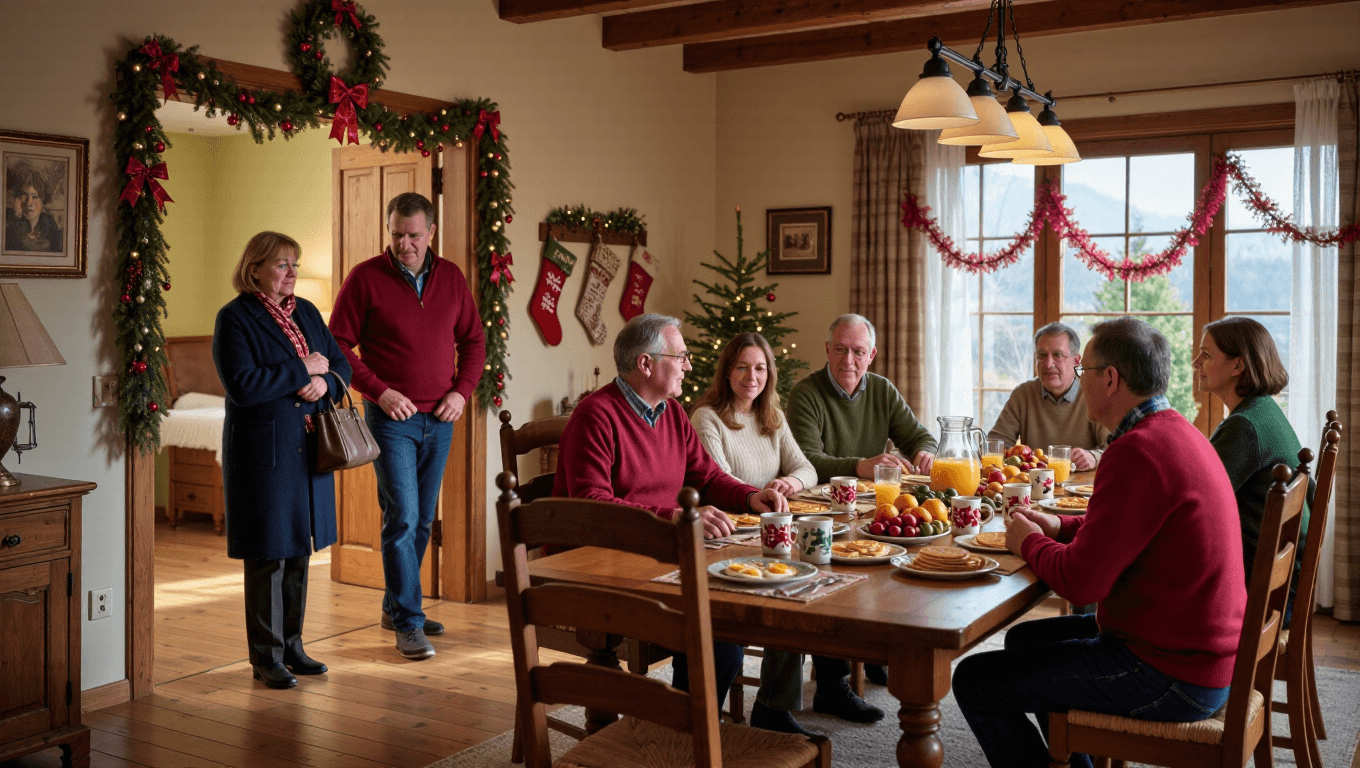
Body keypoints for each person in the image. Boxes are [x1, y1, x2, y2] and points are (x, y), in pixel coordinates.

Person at [953, 317, 1247, 768]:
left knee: (974, 679)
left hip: (1170, 673)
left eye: (1084, 369)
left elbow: (1081, 584)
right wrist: (1057, 527)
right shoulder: (1175, 431)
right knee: (1023, 643)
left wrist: (1027, 542)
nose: (1077, 378)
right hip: (1191, 650)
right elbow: (1127, 532)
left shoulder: (1136, 452)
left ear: (1110, 379)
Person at [554, 314, 790, 702]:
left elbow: (709, 477)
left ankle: (687, 728)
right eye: (680, 356)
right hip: (598, 564)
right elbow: (590, 506)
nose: (688, 365)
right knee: (714, 628)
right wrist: (673, 519)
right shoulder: (595, 415)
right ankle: (686, 730)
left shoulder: (672, 413)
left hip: (658, 554)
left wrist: (750, 496)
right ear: (646, 364)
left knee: (731, 612)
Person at [691, 333, 879, 734]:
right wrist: (761, 492)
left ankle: (830, 684)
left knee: (827, 570)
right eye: (742, 366)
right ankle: (775, 708)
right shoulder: (708, 418)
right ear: (726, 371)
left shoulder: (769, 416)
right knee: (796, 584)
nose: (751, 376)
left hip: (770, 526)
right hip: (730, 535)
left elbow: (807, 467)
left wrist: (788, 485)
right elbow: (719, 481)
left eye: (760, 368)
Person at [329, 192, 486, 661]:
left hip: (440, 419)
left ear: (431, 232)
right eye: (396, 234)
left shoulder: (453, 279)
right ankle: (409, 622)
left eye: (414, 235)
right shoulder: (365, 279)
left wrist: (461, 392)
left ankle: (396, 607)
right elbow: (338, 346)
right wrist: (381, 392)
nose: (404, 244)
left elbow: (474, 341)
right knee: (401, 516)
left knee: (420, 519)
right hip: (390, 419)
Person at [212, 231, 352, 690]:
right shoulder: (234, 319)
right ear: (255, 269)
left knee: (298, 552)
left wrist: (325, 383)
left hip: (309, 450)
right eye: (282, 264)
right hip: (265, 455)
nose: (292, 272)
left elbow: (339, 365)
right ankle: (265, 657)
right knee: (267, 554)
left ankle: (293, 646)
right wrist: (303, 371)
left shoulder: (309, 312)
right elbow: (244, 385)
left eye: (295, 263)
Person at [1193, 316, 1311, 618]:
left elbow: (1192, 504)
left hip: (1263, 593)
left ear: (1238, 366)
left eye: (1206, 355)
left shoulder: (1245, 427)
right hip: (1281, 581)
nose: (1196, 362)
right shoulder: (1264, 410)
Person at [786, 314, 937, 482]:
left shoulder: (883, 390)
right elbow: (806, 461)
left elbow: (922, 439)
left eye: (858, 352)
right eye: (840, 349)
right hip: (821, 500)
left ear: (871, 355)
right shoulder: (804, 394)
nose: (848, 360)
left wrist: (925, 453)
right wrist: (859, 466)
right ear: (828, 350)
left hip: (876, 496)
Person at [987, 322, 1109, 471]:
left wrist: (1094, 457)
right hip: (1033, 488)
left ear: (1076, 361)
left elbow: (1115, 447)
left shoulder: (1093, 393)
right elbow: (995, 444)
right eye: (1042, 355)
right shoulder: (1023, 394)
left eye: (1058, 355)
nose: (1048, 363)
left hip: (1080, 489)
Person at [5, 165, 62, 252]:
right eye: (24, 196)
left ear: (42, 201)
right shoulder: (10, 232)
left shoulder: (52, 230)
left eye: (34, 197)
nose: (28, 203)